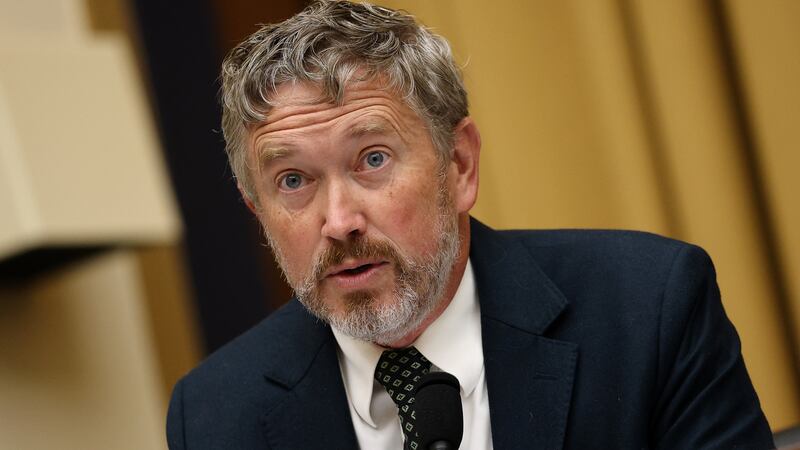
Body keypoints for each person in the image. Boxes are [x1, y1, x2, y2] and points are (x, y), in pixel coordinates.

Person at [166, 1, 774, 448]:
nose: (340, 222)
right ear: (258, 211)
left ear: (459, 165)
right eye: (293, 181)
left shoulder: (647, 308)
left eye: (372, 160)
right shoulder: (216, 415)